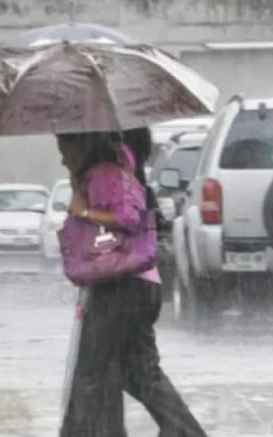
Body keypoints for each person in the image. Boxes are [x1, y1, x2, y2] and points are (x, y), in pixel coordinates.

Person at [57, 132, 209, 437]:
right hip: (138, 285)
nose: (62, 158)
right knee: (138, 371)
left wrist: (83, 211)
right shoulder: (111, 169)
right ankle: (184, 431)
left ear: (82, 144)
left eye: (65, 150)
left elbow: (128, 218)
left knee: (90, 371)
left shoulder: (104, 173)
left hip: (121, 286)